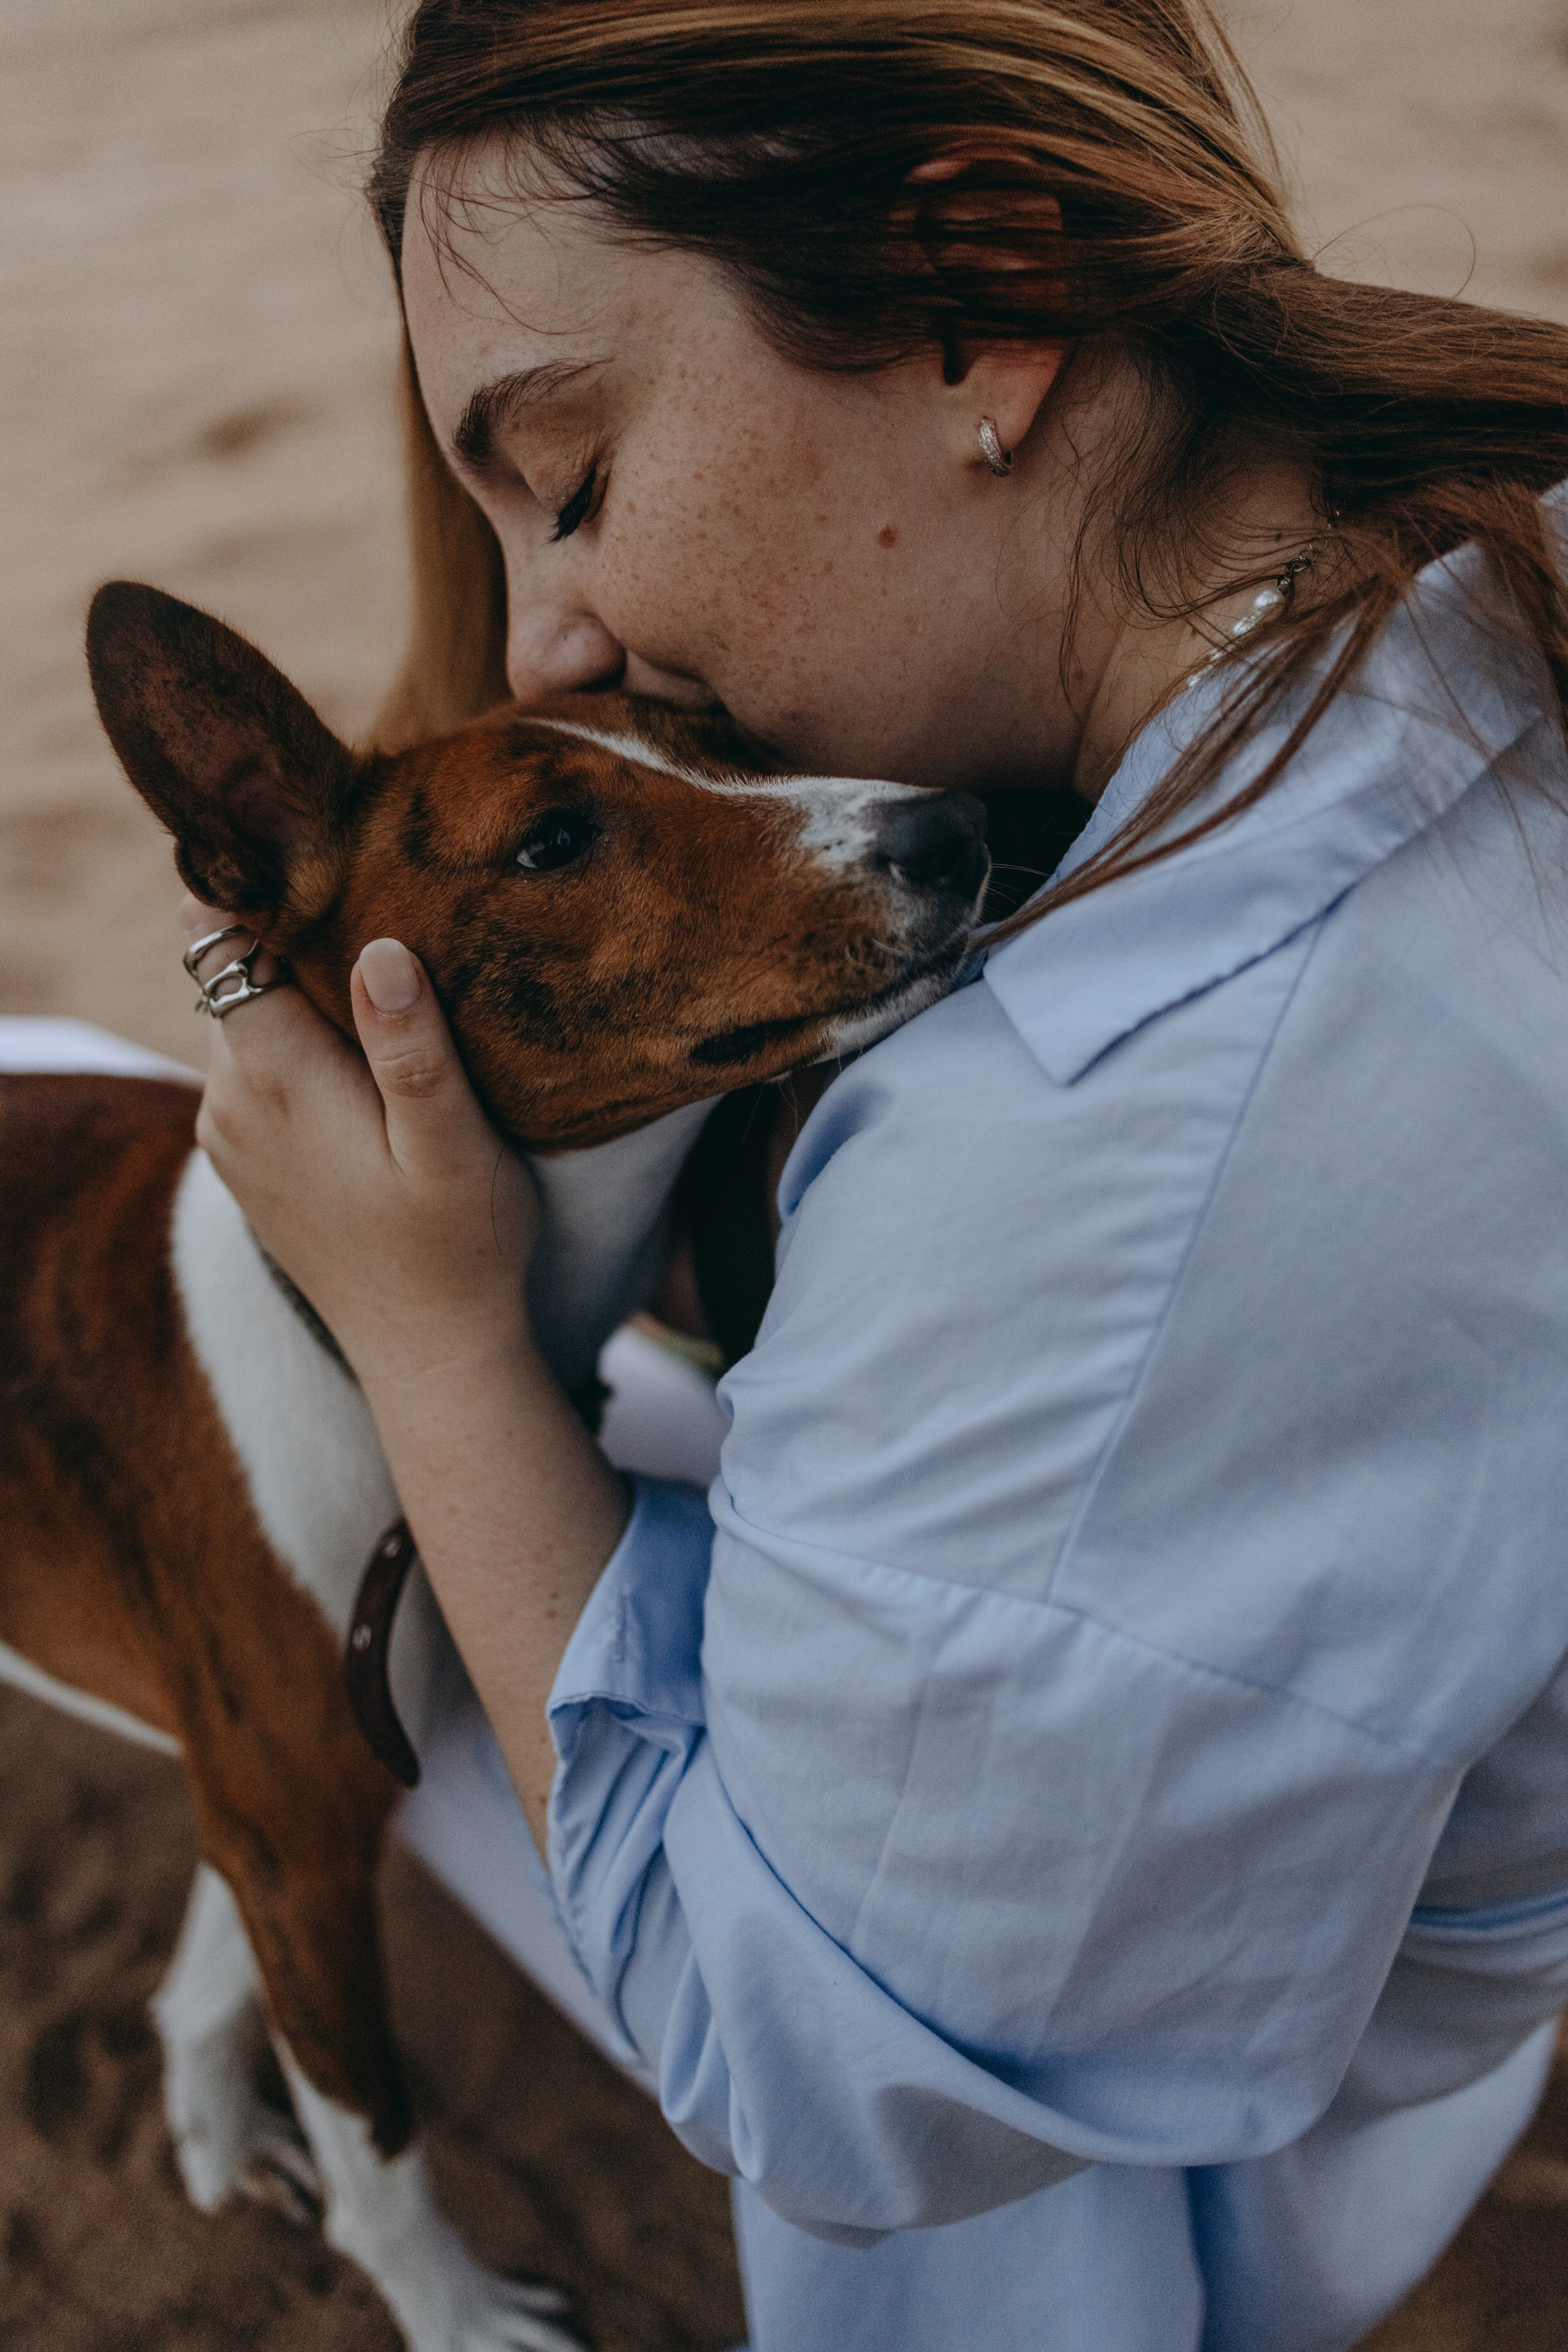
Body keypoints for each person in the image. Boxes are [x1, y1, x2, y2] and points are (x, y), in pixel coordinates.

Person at [183, 2, 1568, 2345]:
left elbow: (786, 2063)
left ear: (980, 306)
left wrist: (426, 1341)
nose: (547, 639)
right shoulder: (1470, 587)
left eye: (575, 473)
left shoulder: (1090, 1172)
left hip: (1240, 2101)